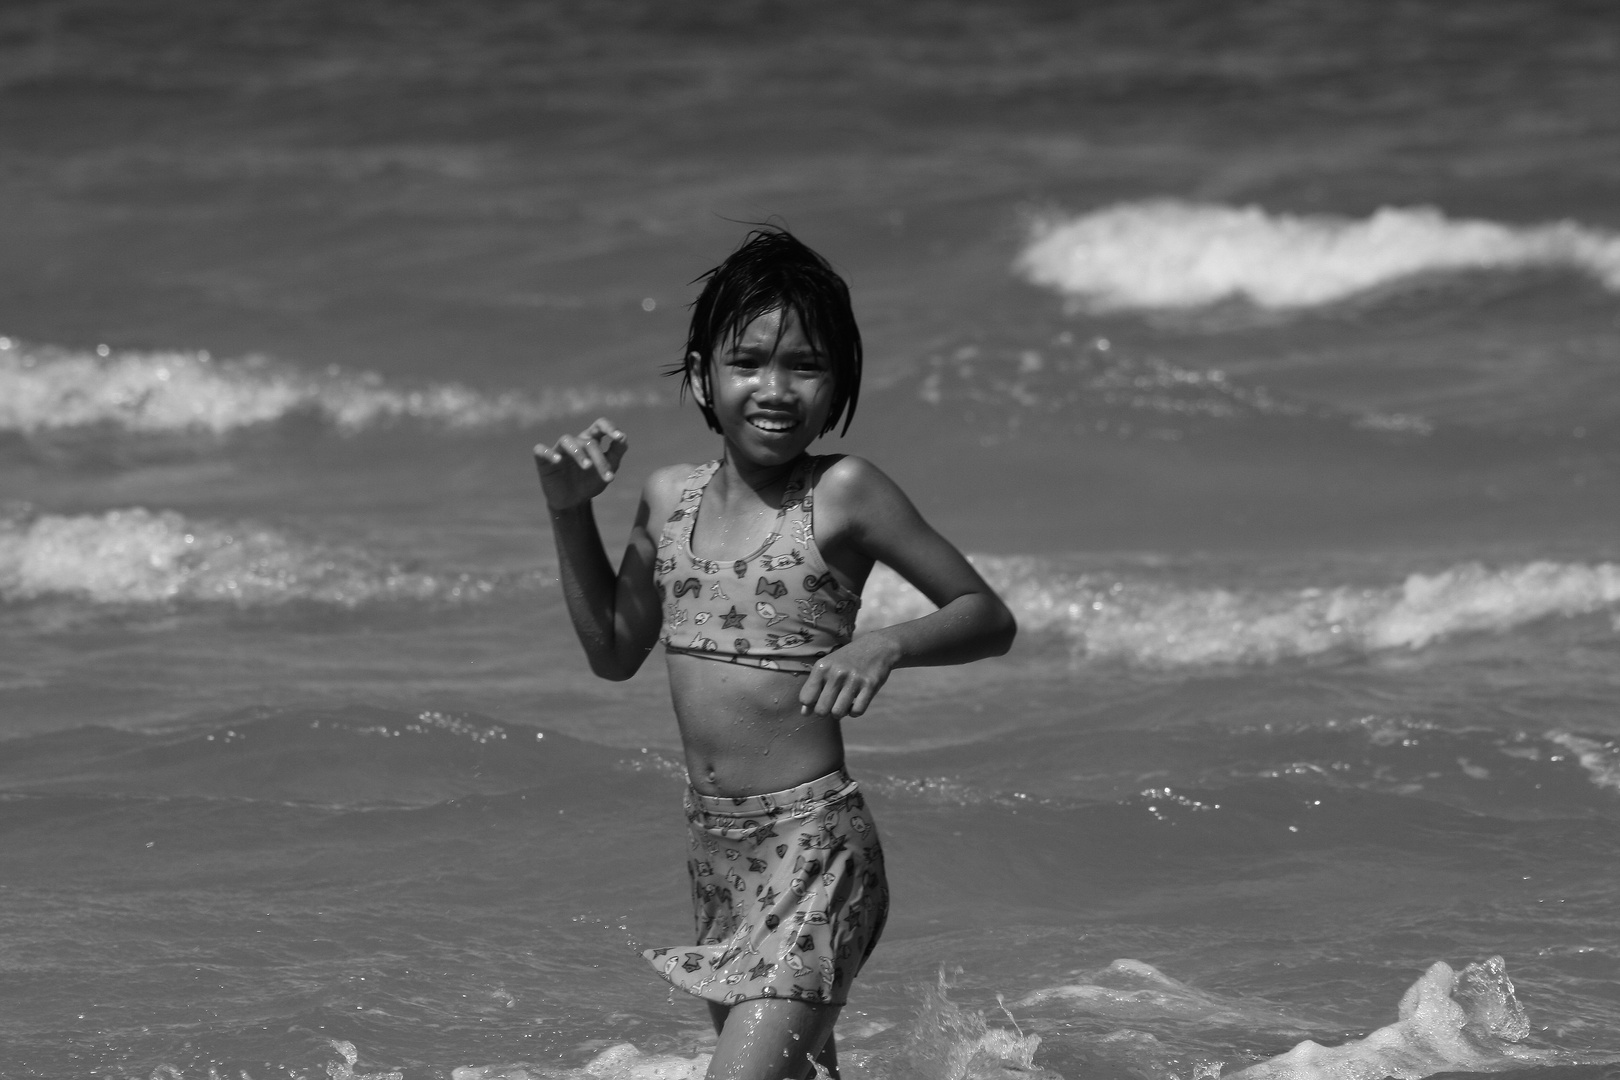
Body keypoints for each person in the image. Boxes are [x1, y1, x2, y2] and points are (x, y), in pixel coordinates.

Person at [535, 228, 1016, 1080]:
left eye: (806, 365)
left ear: (837, 388)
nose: (776, 387)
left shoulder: (843, 493)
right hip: (716, 855)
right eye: (749, 360)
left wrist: (886, 644)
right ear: (700, 378)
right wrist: (571, 514)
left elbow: (986, 615)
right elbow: (613, 652)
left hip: (817, 853)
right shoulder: (665, 499)